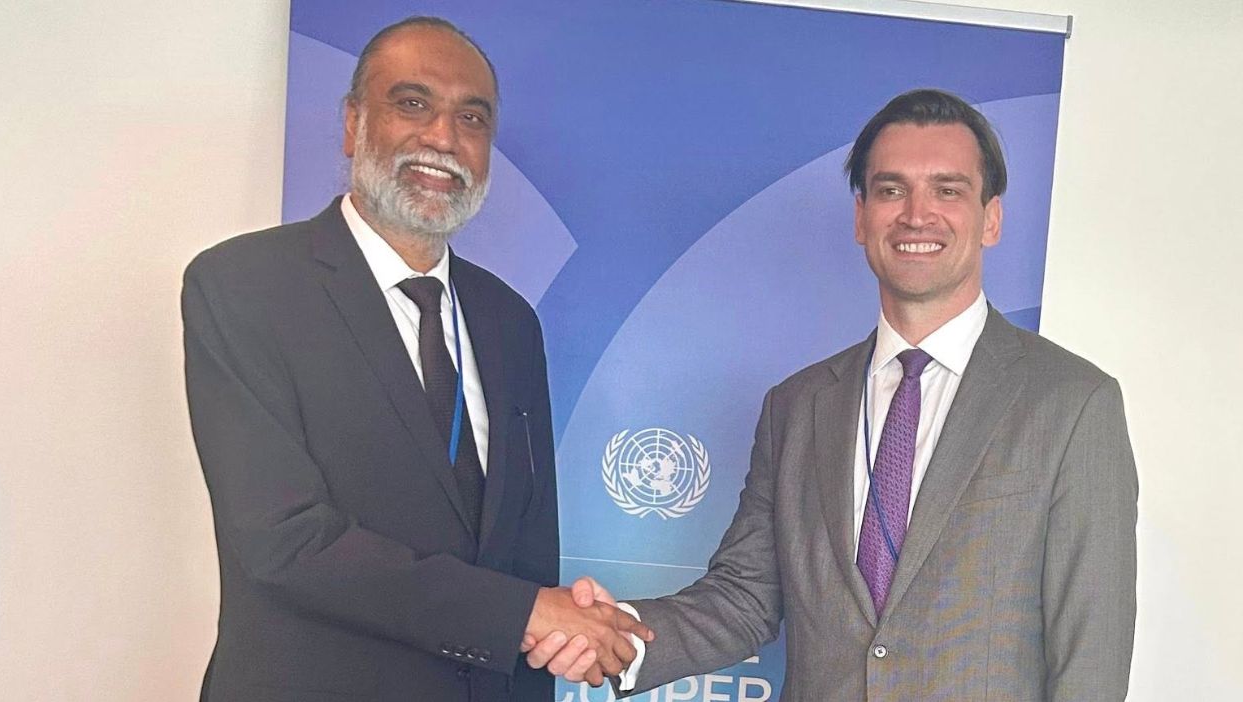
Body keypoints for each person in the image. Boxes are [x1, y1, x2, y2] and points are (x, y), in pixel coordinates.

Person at [527, 88, 1138, 700]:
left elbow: (1090, 660)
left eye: (948, 190)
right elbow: (744, 598)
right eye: (891, 190)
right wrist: (620, 636)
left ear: (992, 218)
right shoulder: (797, 407)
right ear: (861, 217)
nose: (917, 214)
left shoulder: (1073, 404)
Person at [183, 16, 650, 702]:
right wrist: (523, 615)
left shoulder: (509, 321)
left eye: (472, 118)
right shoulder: (244, 286)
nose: (443, 138)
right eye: (412, 103)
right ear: (353, 124)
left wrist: (553, 629)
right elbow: (285, 539)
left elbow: (525, 552)